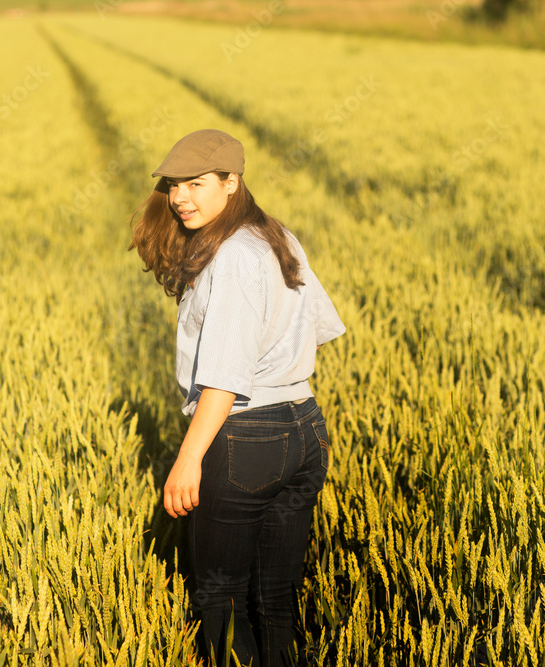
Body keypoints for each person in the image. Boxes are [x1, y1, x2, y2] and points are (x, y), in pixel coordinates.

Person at [128, 129, 346, 666]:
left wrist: (188, 458)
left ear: (231, 183)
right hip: (305, 428)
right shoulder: (277, 236)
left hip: (247, 436)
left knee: (220, 598)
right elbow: (317, 325)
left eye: (197, 183)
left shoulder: (231, 256)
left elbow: (224, 378)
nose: (180, 197)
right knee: (275, 599)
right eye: (174, 185)